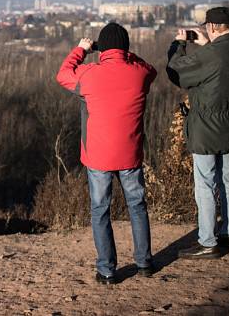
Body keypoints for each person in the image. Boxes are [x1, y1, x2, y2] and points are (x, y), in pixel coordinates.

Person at [56, 22, 157, 284]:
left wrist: (81, 49)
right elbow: (151, 69)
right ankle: (144, 263)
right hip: (130, 153)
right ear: (125, 48)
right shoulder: (139, 74)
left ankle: (107, 270)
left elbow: (63, 74)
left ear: (103, 49)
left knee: (100, 210)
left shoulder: (89, 74)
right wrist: (124, 54)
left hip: (98, 156)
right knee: (137, 207)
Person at [166, 6, 229, 259]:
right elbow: (221, 69)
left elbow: (177, 72)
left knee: (205, 185)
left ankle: (207, 241)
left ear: (215, 27)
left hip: (206, 127)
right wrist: (207, 45)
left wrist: (179, 44)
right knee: (228, 181)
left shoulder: (211, 56)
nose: (206, 28)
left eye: (208, 25)